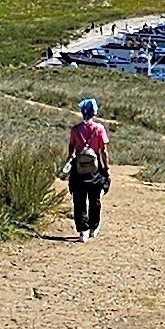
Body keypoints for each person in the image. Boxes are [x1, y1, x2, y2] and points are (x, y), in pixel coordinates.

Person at [66, 98, 112, 241]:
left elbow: (71, 148)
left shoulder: (75, 129)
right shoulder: (99, 129)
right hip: (95, 167)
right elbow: (103, 150)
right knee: (95, 198)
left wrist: (70, 159)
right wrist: (106, 168)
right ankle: (93, 227)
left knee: (79, 199)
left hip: (79, 167)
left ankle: (82, 230)